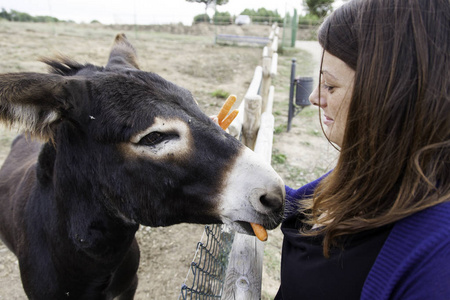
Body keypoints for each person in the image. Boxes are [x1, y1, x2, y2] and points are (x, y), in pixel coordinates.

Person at [275, 0, 449, 299]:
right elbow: (294, 205)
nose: (316, 97)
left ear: (391, 95)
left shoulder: (436, 264)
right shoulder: (373, 173)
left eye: (330, 86)